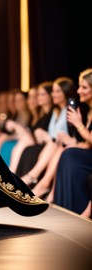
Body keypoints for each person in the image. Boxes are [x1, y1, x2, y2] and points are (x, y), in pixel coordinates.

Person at [18, 77, 77, 186]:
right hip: (52, 145)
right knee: (29, 149)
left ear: (66, 91)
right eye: (53, 91)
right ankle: (27, 179)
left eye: (57, 91)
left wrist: (49, 137)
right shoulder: (55, 111)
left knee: (42, 147)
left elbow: (69, 135)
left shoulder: (70, 110)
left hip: (60, 146)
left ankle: (31, 179)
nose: (53, 94)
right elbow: (52, 135)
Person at [51, 68, 92, 218]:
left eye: (84, 87)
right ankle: (64, 207)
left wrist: (78, 124)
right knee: (68, 152)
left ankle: (72, 209)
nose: (79, 91)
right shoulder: (88, 111)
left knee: (70, 155)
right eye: (80, 86)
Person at [7, 82, 53, 173]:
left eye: (40, 95)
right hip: (34, 145)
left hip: (42, 146)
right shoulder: (38, 116)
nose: (32, 100)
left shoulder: (48, 114)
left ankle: (12, 174)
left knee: (22, 145)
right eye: (30, 97)